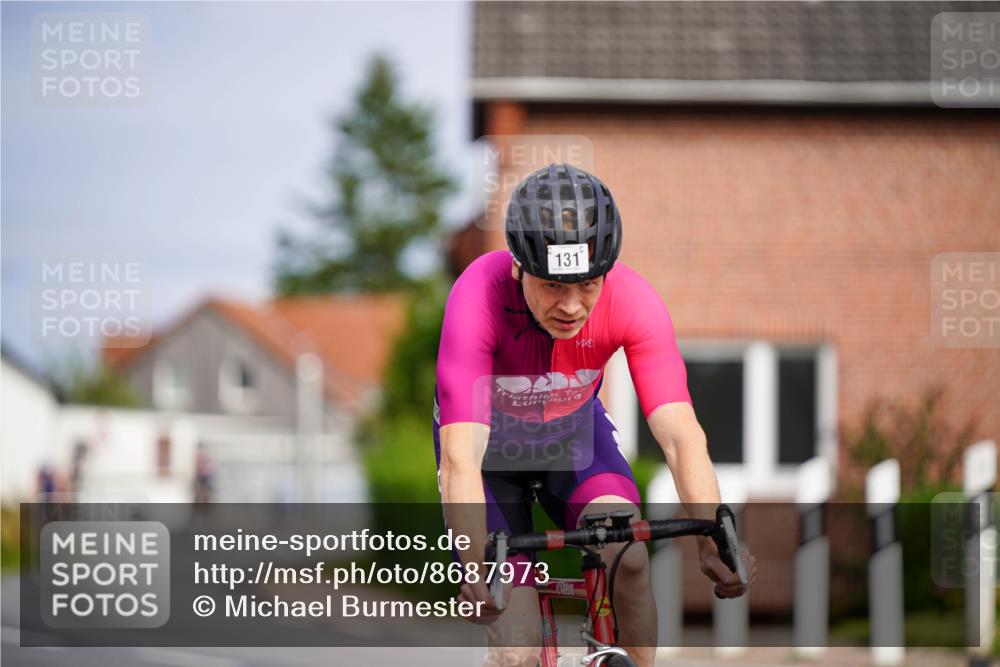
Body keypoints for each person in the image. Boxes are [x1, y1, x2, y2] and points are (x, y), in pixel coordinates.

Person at [434, 164, 757, 667]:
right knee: (515, 643)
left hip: (573, 441)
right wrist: (476, 568)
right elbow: (460, 459)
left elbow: (680, 437)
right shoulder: (478, 295)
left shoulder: (633, 300)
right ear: (518, 267)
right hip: (488, 462)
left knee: (628, 559)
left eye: (587, 284)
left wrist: (711, 537)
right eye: (551, 285)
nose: (570, 305)